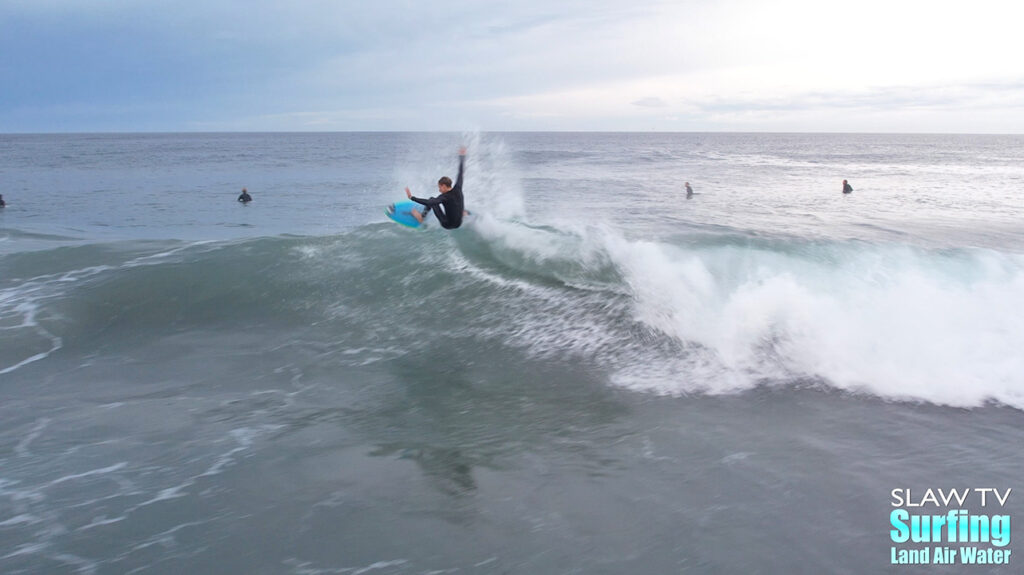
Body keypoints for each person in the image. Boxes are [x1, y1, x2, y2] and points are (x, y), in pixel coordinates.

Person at [406, 147, 467, 229]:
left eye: (440, 187)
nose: (439, 190)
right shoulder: (458, 187)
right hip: (459, 223)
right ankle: (462, 212)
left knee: (432, 200)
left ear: (444, 186)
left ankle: (421, 217)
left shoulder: (444, 197)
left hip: (448, 225)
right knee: (456, 203)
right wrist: (462, 156)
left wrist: (412, 198)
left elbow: (429, 202)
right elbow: (460, 172)